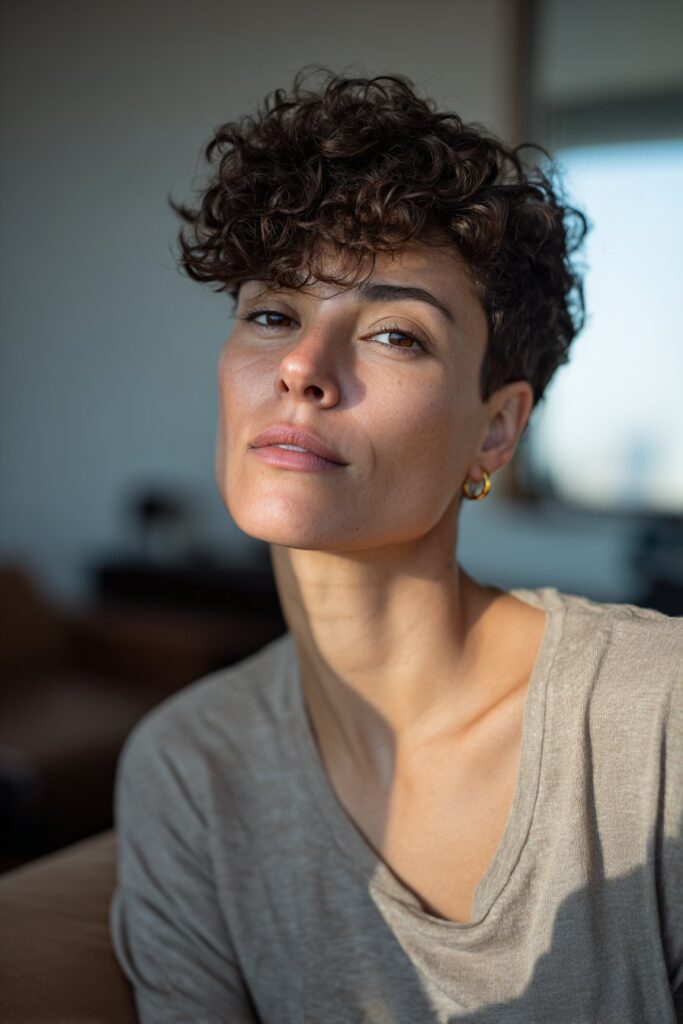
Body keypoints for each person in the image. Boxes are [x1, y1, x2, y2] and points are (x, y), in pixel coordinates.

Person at [109, 70, 683, 1023]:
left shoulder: (659, 720)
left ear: (494, 432)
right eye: (272, 314)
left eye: (393, 334)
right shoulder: (186, 768)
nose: (302, 367)